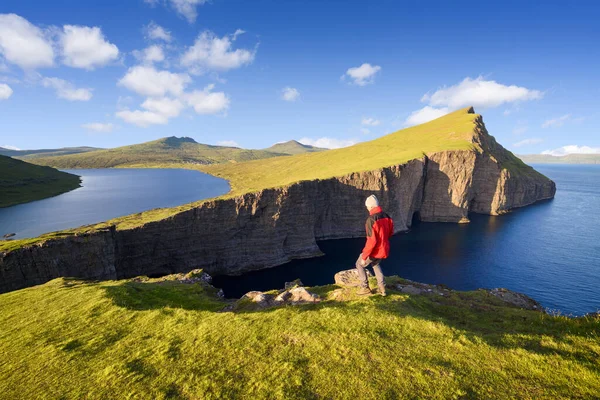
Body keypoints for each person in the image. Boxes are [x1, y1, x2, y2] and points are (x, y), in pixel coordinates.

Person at [356, 195, 394, 296]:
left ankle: (365, 288)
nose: (367, 208)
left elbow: (371, 241)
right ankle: (382, 288)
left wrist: (364, 257)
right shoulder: (386, 216)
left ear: (371, 206)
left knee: (359, 264)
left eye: (368, 207)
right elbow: (390, 232)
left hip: (375, 250)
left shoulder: (371, 220)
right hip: (384, 249)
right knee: (376, 264)